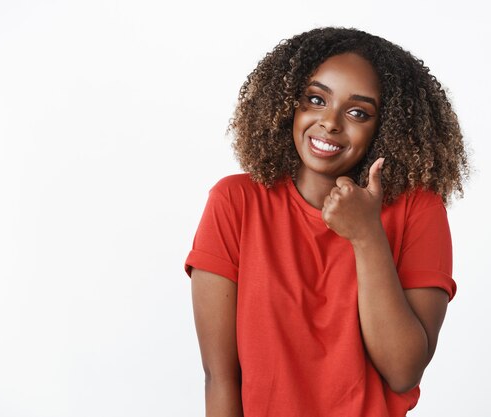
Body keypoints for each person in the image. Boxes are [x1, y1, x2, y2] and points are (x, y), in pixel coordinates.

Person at [184, 27, 469, 417]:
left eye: (358, 112)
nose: (330, 122)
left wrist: (367, 235)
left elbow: (404, 371)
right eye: (316, 100)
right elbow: (221, 378)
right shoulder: (235, 203)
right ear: (289, 106)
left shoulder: (418, 210)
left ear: (385, 127)